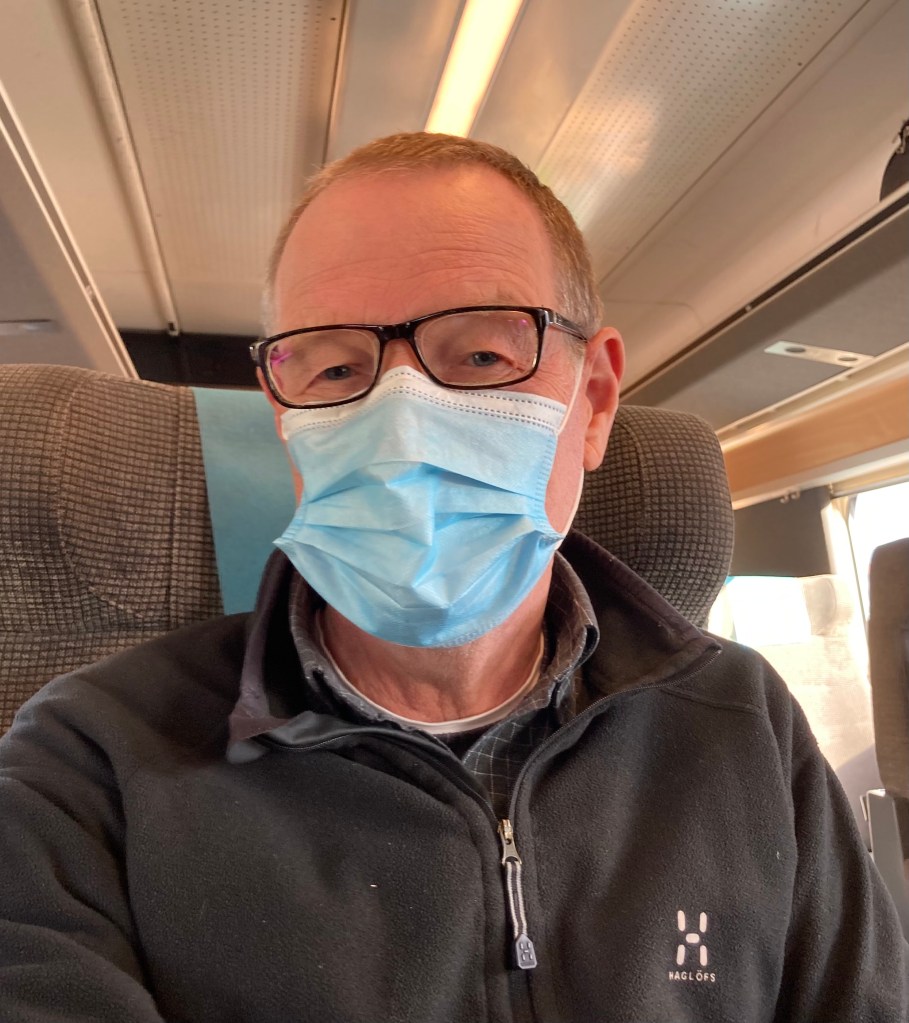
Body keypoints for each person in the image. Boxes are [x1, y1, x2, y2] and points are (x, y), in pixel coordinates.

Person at [0, 132, 906, 1023]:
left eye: (481, 356)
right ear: (284, 417)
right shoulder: (87, 761)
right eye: (336, 367)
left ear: (592, 400)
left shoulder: (741, 722)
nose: (403, 424)